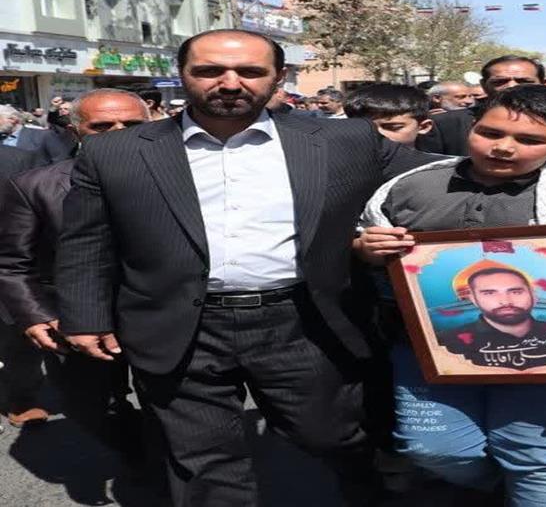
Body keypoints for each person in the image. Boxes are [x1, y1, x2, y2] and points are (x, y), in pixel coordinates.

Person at [55, 29, 437, 507]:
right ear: (183, 74)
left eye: (250, 71)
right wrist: (85, 316)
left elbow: (439, 172)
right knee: (203, 461)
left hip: (304, 322)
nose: (230, 83)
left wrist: (538, 163)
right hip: (175, 324)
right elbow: (87, 240)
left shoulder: (344, 139)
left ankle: (367, 487)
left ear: (278, 77)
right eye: (210, 70)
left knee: (329, 435)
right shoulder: (115, 151)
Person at [357, 85, 546, 507]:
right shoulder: (410, 186)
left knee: (537, 456)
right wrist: (367, 248)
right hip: (428, 351)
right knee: (434, 448)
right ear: (472, 126)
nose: (503, 147)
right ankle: (500, 486)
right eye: (490, 132)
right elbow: (367, 243)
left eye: (529, 139)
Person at [0, 89, 150, 432]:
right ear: (75, 130)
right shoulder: (34, 186)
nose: (118, 133)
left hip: (165, 317)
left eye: (131, 124)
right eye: (102, 126)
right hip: (76, 320)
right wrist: (36, 315)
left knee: (178, 412)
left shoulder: (192, 178)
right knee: (91, 409)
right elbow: (11, 263)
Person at [437, 266, 546, 369]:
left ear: (533, 296)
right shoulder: (445, 343)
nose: (506, 301)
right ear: (473, 300)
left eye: (515, 292)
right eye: (489, 293)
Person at [415, 55, 546, 156]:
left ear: (543, 84)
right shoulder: (443, 124)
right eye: (500, 82)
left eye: (524, 81)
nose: (511, 86)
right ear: (484, 85)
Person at [343, 83, 433, 146]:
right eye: (364, 128)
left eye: (392, 128)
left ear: (423, 127)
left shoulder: (437, 166)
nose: (378, 134)